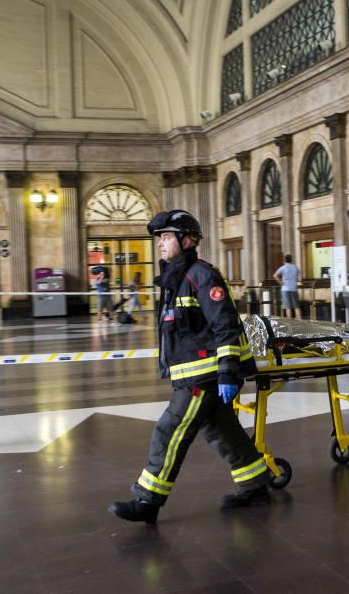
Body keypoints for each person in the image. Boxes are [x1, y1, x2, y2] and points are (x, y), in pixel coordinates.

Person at [109, 210, 269, 524]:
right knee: (222, 431)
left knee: (169, 431)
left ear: (187, 240)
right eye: (158, 238)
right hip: (191, 372)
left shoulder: (201, 275)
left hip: (204, 375)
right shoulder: (175, 279)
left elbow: (225, 325)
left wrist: (227, 371)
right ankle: (255, 484)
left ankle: (147, 500)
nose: (160, 244)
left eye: (166, 237)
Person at [273, 254, 301, 319]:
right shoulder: (295, 267)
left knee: (288, 307)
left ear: (284, 260)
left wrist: (281, 282)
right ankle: (300, 321)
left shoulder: (283, 268)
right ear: (291, 260)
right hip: (294, 288)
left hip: (285, 289)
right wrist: (295, 281)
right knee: (296, 306)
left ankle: (290, 322)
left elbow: (275, 275)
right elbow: (300, 279)